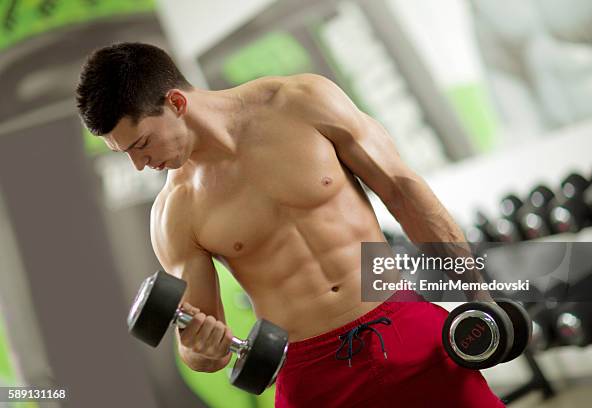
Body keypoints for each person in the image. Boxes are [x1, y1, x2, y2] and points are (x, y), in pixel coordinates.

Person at [76, 42, 504, 407]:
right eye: (125, 154)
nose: (139, 165)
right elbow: (202, 343)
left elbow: (402, 192)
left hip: (404, 326)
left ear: (177, 103)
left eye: (142, 144)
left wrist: (480, 296)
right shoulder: (175, 210)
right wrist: (199, 347)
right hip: (310, 374)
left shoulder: (302, 102)